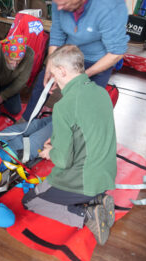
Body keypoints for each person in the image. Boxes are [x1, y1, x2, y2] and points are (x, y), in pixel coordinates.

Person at [22, 45, 117, 245]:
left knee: (31, 200)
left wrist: (50, 153)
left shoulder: (64, 106)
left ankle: (87, 214)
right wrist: (56, 142)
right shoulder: (101, 93)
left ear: (62, 71)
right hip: (106, 173)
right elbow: (85, 132)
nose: (52, 77)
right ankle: (98, 199)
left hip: (85, 180)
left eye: (53, 72)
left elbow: (63, 160)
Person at [23, 0, 130, 120]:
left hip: (98, 60)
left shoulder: (110, 7)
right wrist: (51, 66)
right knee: (44, 81)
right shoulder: (59, 3)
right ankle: (26, 122)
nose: (59, 8)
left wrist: (81, 77)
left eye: (64, 4)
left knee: (84, 106)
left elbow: (116, 53)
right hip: (70, 54)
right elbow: (57, 36)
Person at [0, 35, 34, 119]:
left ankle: (2, 97)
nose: (15, 64)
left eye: (18, 61)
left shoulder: (29, 54)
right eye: (12, 60)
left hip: (7, 83)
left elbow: (22, 80)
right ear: (5, 54)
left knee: (15, 110)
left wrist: (3, 96)